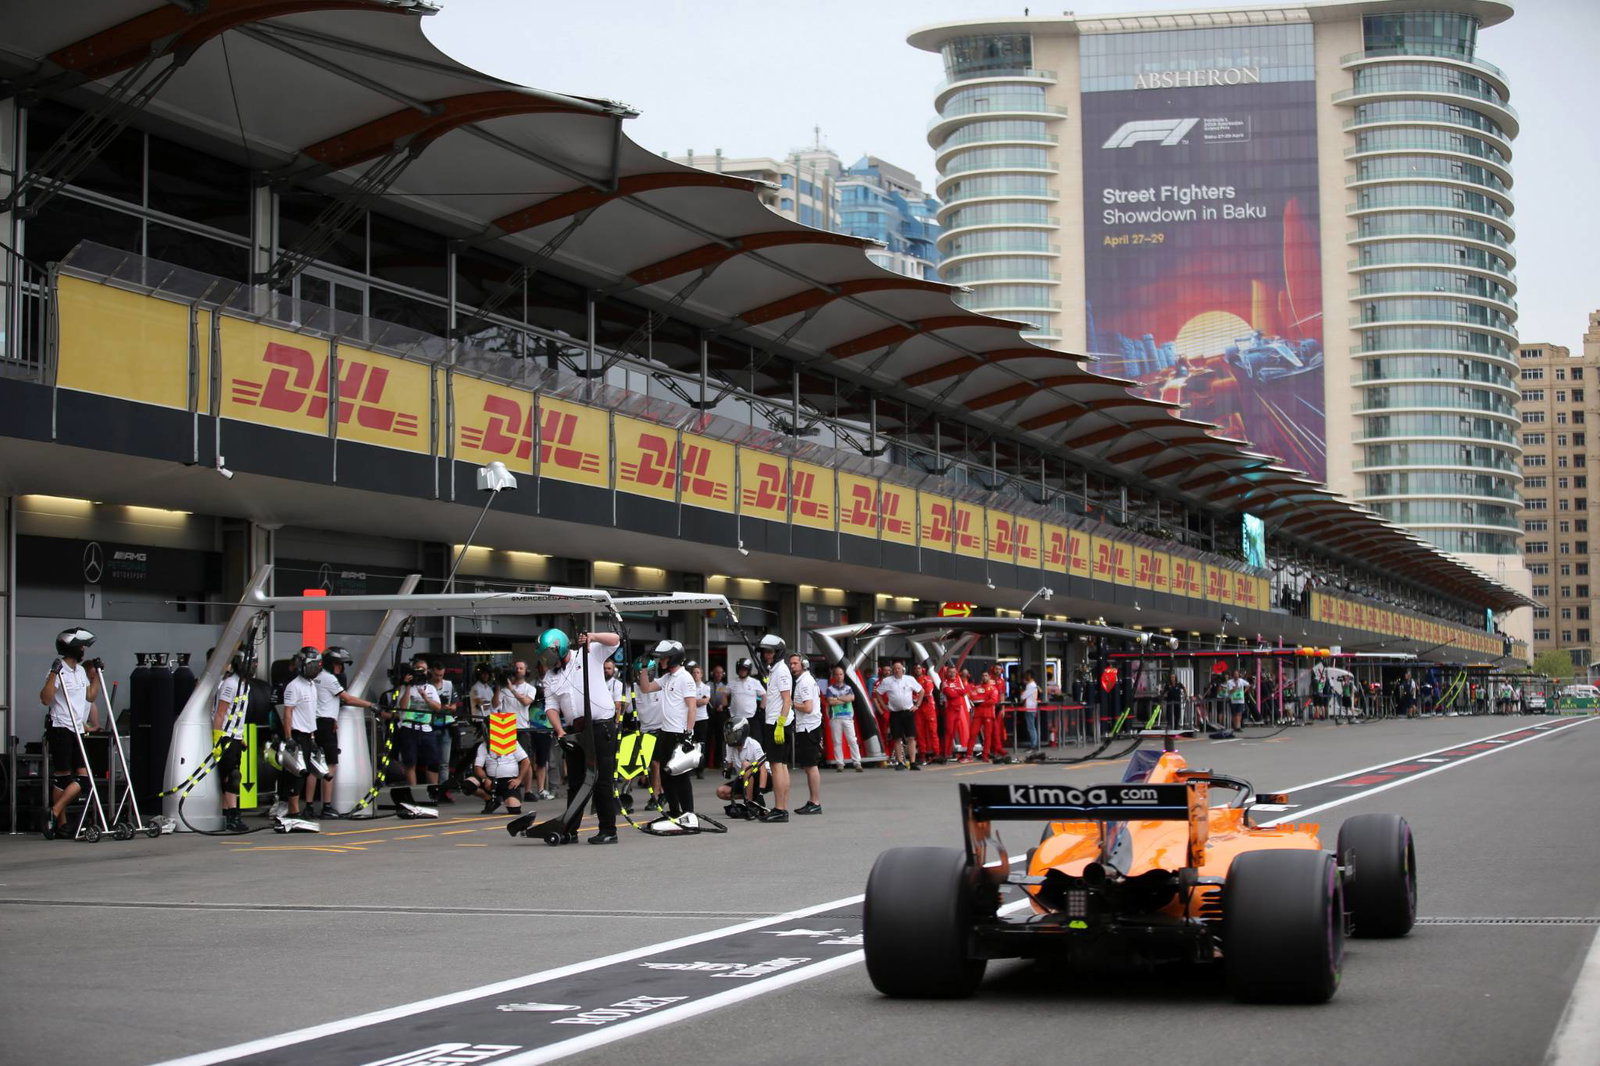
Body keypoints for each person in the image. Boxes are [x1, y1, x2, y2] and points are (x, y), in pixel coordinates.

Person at [541, 626, 623, 844]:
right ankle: (570, 829)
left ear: (561, 647)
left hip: (600, 726)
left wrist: (593, 637)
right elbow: (550, 706)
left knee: (601, 780)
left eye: (550, 655)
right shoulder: (550, 676)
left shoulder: (588, 654)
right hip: (574, 731)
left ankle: (608, 830)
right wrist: (559, 730)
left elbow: (615, 640)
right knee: (576, 781)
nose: (548, 661)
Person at [39, 627, 102, 839]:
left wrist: (98, 676)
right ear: (73, 647)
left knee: (84, 778)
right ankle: (61, 824)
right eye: (81, 646)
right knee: (63, 777)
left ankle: (54, 812)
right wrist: (54, 673)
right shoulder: (58, 671)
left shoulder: (80, 671)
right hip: (60, 727)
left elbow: (90, 697)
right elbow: (46, 699)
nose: (84, 649)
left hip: (77, 728)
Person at [634, 638, 700, 830]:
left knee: (681, 776)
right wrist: (644, 669)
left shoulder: (685, 678)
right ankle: (674, 811)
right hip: (665, 732)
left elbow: (692, 707)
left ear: (673, 658)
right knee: (666, 774)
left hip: (680, 734)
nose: (660, 662)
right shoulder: (667, 678)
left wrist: (689, 733)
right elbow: (646, 688)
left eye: (663, 658)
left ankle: (689, 814)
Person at [307, 646, 377, 819]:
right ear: (332, 664)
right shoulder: (330, 679)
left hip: (312, 723)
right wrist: (371, 705)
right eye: (340, 664)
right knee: (331, 765)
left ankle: (308, 806)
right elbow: (348, 699)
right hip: (326, 724)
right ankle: (327, 806)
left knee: (313, 766)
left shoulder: (314, 678)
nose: (342, 668)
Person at [278, 646, 324, 822]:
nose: (315, 669)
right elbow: (287, 712)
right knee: (295, 775)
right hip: (296, 734)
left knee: (304, 775)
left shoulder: (312, 686)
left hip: (307, 734)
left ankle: (294, 810)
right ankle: (293, 811)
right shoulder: (294, 686)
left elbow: (310, 714)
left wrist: (312, 738)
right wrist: (288, 738)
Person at [391, 654, 442, 813]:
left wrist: (425, 698)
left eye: (423, 670)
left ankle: (433, 793)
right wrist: (407, 686)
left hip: (425, 727)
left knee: (433, 762)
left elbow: (438, 708)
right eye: (418, 670)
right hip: (409, 727)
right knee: (410, 762)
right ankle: (413, 795)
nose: (421, 673)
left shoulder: (431, 688)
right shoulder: (406, 687)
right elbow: (402, 708)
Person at [210, 646, 250, 833]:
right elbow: (220, 713)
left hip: (235, 736)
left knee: (231, 776)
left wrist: (240, 736)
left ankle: (228, 815)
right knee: (232, 776)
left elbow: (238, 714)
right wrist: (217, 738)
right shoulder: (230, 684)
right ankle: (233, 815)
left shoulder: (245, 685)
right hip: (225, 736)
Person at [755, 633, 793, 822]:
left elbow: (787, 700)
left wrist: (779, 723)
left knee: (777, 767)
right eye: (764, 652)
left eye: (769, 652)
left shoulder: (781, 671)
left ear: (777, 652)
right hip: (780, 722)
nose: (766, 655)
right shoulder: (775, 670)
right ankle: (782, 807)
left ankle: (779, 808)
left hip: (778, 723)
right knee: (782, 766)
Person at [497, 661, 541, 799]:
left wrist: (512, 689)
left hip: (521, 726)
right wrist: (499, 685)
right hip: (504, 725)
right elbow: (495, 704)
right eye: (516, 668)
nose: (518, 670)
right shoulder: (504, 689)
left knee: (525, 759)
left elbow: (526, 702)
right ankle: (502, 790)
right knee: (503, 760)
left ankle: (528, 791)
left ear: (526, 671)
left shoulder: (530, 688)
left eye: (521, 668)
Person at [788, 654, 823, 814]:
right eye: (791, 663)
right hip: (807, 727)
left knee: (811, 766)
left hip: (809, 728)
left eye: (795, 663)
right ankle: (812, 800)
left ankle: (815, 801)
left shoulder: (805, 682)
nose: (792, 666)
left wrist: (791, 704)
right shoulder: (804, 680)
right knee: (809, 767)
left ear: (804, 664)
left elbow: (808, 707)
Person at [462, 739, 529, 817]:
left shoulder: (513, 743)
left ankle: (508, 798)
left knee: (514, 809)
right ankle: (489, 799)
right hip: (490, 780)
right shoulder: (483, 746)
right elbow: (478, 767)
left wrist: (519, 779)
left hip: (509, 781)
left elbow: (526, 761)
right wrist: (485, 779)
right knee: (468, 784)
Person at [716, 717, 768, 818]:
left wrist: (761, 792)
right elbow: (729, 763)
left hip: (762, 777)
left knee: (745, 765)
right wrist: (727, 768)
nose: (729, 737)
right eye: (728, 734)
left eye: (732, 734)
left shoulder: (753, 744)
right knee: (721, 791)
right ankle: (753, 798)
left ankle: (748, 802)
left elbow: (763, 770)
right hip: (745, 779)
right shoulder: (729, 746)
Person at [876, 660, 921, 770]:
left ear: (903, 669)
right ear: (892, 670)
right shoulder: (887, 681)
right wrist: (884, 706)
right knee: (897, 738)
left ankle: (913, 762)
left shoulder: (909, 679)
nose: (897, 670)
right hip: (895, 713)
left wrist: (917, 705)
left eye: (899, 668)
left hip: (908, 712)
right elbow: (878, 693)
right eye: (895, 668)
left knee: (911, 737)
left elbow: (922, 691)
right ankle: (900, 762)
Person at [428, 660, 462, 801]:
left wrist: (450, 707)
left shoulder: (448, 684)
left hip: (447, 725)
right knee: (432, 761)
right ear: (431, 672)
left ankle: (443, 790)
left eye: (441, 675)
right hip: (431, 725)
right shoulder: (427, 686)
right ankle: (432, 789)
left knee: (444, 762)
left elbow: (455, 704)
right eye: (436, 675)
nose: (439, 678)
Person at [825, 665, 863, 772]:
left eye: (841, 674)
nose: (839, 676)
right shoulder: (830, 689)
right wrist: (844, 699)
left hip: (847, 717)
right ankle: (840, 763)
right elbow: (830, 701)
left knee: (852, 740)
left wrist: (837, 698)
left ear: (843, 675)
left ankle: (857, 762)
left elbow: (851, 698)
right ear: (834, 675)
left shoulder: (848, 688)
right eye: (836, 674)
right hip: (835, 718)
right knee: (837, 741)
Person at [971, 666, 1007, 763]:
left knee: (995, 732)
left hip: (995, 708)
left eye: (999, 669)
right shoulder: (983, 684)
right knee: (977, 733)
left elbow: (1001, 695)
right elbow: (974, 697)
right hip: (984, 711)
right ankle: (992, 750)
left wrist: (1003, 708)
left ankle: (995, 750)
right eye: (996, 669)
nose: (997, 671)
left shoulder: (1001, 681)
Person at [942, 665, 973, 763]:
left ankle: (951, 752)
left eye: (954, 672)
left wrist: (957, 691)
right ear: (947, 673)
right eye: (950, 672)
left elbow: (965, 691)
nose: (952, 674)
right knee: (949, 732)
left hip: (958, 710)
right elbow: (950, 694)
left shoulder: (958, 681)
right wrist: (958, 692)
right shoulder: (945, 682)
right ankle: (947, 753)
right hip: (950, 710)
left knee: (954, 733)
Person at [914, 662, 941, 763]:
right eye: (916, 669)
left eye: (919, 668)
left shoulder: (928, 679)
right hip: (918, 708)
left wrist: (916, 697)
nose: (918, 670)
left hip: (928, 707)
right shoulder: (913, 680)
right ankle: (923, 754)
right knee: (919, 732)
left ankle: (936, 753)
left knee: (932, 731)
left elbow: (928, 691)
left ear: (923, 670)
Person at [689, 661, 711, 779]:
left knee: (701, 745)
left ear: (701, 674)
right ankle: (691, 767)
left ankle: (700, 769)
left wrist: (694, 702)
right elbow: (688, 702)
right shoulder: (689, 686)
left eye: (698, 672)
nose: (696, 675)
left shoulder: (706, 687)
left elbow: (705, 701)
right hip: (691, 718)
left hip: (702, 719)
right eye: (694, 673)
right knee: (691, 743)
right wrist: (697, 701)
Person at [1019, 670, 1041, 749]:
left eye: (1026, 675)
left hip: (1030, 707)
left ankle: (1034, 744)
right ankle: (1034, 743)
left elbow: (1023, 696)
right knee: (1032, 726)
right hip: (1031, 707)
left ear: (1029, 676)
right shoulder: (1032, 685)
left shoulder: (1031, 685)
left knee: (1031, 727)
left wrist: (1021, 695)